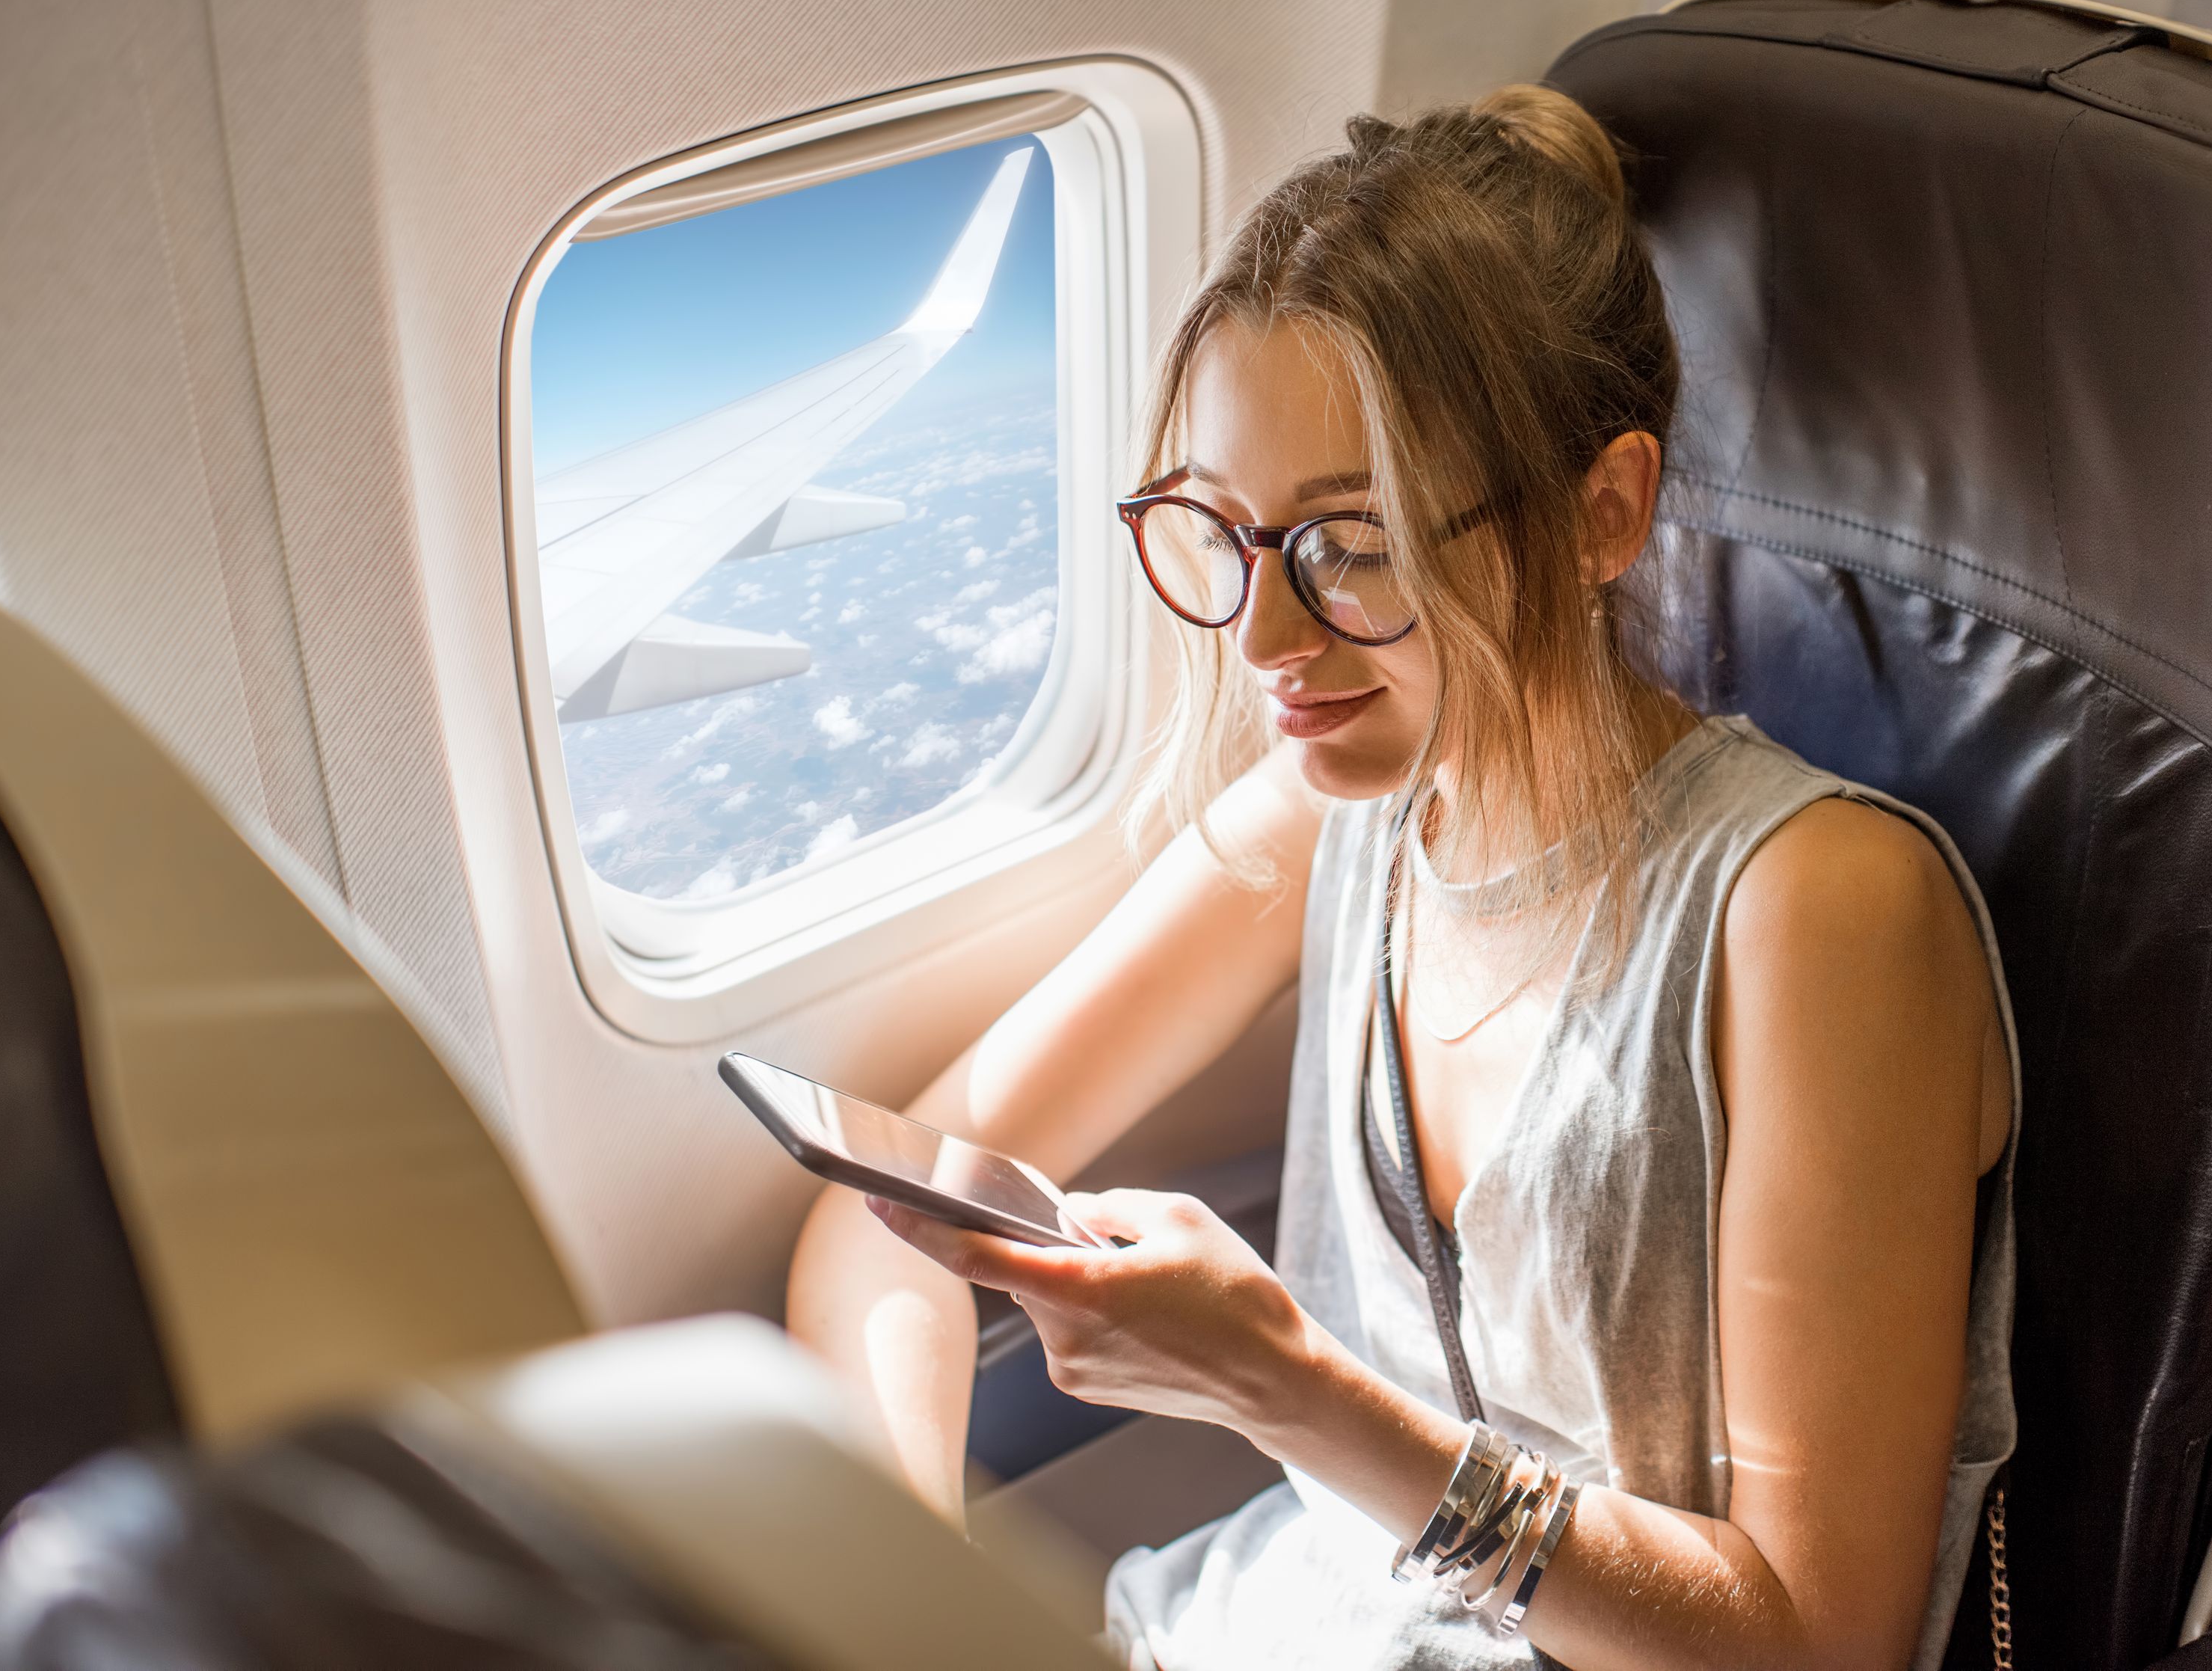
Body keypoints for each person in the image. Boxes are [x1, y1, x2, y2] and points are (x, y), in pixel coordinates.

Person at [785, 86, 2018, 1671]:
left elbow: (1810, 1640)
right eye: (1226, 536)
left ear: (1602, 515)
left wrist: (1289, 1385)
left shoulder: (1816, 910)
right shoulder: (1327, 818)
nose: (1263, 643)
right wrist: (923, 1603)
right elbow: (885, 1206)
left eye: (1350, 551)